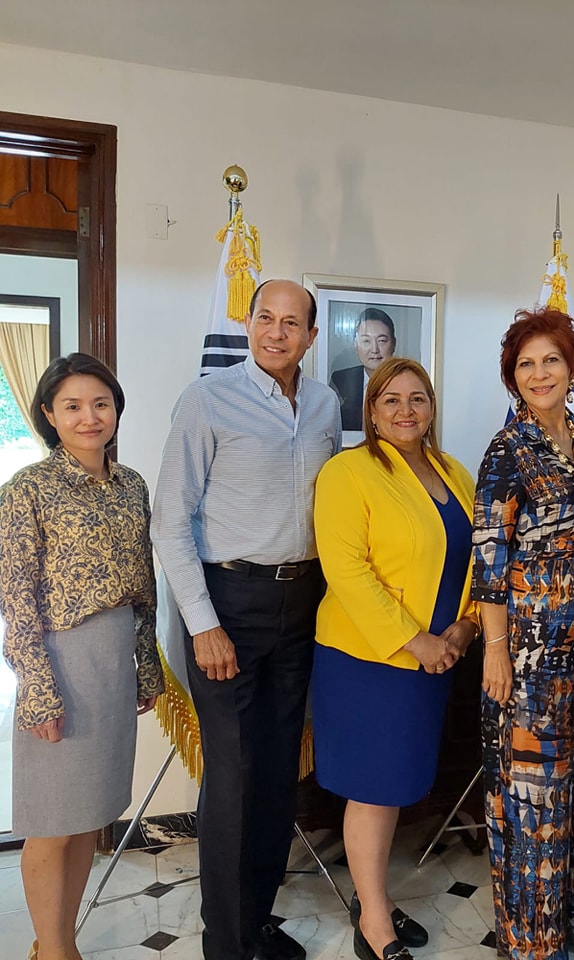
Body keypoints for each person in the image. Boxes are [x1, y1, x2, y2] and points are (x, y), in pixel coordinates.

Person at [152, 279, 341, 960]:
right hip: (226, 605)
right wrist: (203, 624)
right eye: (266, 317)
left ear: (312, 338)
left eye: (293, 323)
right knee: (230, 777)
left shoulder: (324, 404)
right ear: (249, 320)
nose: (276, 332)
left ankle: (255, 922)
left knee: (273, 773)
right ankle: (225, 944)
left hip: (301, 604)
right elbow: (170, 524)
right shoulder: (207, 399)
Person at [312, 356, 479, 960]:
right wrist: (419, 641)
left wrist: (463, 628)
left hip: (439, 657)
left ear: (431, 408)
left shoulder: (453, 471)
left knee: (398, 783)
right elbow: (348, 573)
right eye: (391, 400)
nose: (406, 410)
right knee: (373, 787)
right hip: (370, 658)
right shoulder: (346, 472)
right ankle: (373, 922)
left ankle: (372, 895)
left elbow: (478, 560)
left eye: (417, 399)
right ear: (372, 411)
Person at [0, 353, 162, 960]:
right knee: (50, 822)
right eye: (72, 406)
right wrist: (38, 690)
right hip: (59, 664)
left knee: (86, 818)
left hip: (113, 661)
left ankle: (57, 942)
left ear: (116, 409)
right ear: (48, 415)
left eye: (101, 403)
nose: (89, 416)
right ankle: (54, 949)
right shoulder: (26, 491)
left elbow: (143, 588)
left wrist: (146, 661)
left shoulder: (131, 486)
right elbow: (16, 600)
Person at [472, 307, 574, 960]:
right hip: (527, 660)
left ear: (571, 367)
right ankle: (535, 945)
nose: (540, 373)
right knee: (534, 806)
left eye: (550, 360)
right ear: (513, 378)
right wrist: (496, 654)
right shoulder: (505, 451)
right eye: (526, 364)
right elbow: (489, 560)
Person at [331, 307, 397, 430]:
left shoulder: (405, 382)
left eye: (382, 341)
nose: (374, 349)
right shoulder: (340, 380)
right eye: (366, 341)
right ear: (356, 345)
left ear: (393, 344)